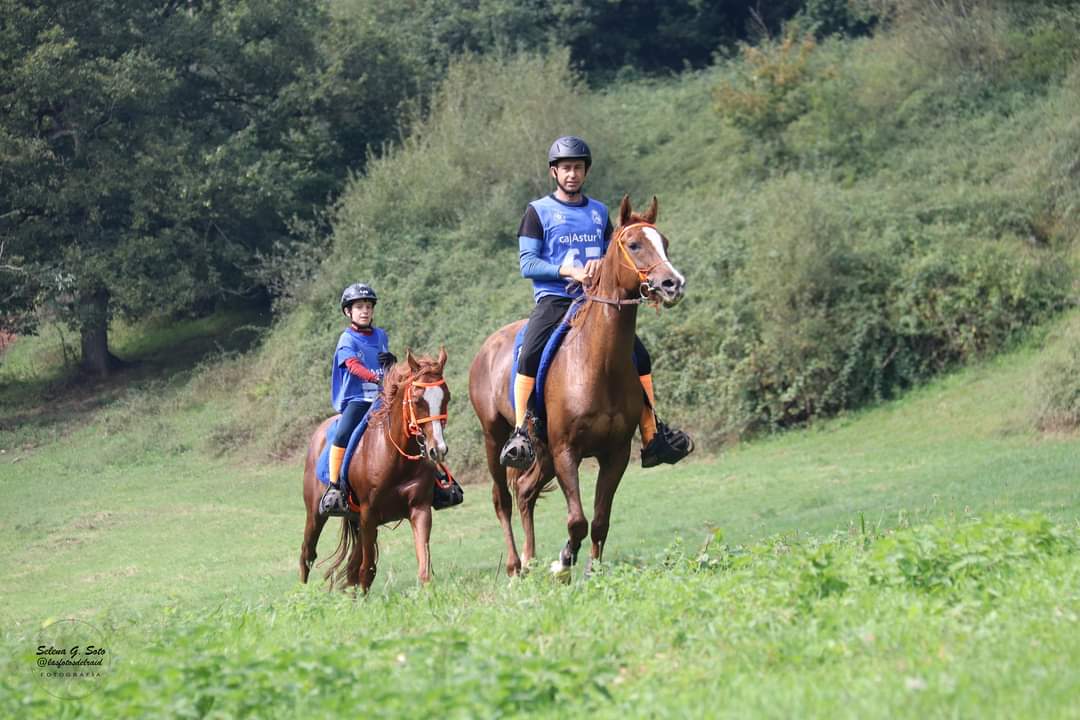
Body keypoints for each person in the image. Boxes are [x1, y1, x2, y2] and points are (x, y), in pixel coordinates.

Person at [499, 135, 693, 471]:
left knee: (640, 355)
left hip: (595, 300)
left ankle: (652, 434)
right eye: (565, 168)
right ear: (554, 173)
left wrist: (605, 269)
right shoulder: (538, 212)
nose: (572, 174)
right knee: (528, 351)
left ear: (585, 172)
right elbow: (527, 263)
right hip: (556, 299)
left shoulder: (599, 212)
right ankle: (522, 433)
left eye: (577, 168)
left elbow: (614, 259)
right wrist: (568, 269)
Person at [320, 283, 396, 516]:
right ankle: (334, 487)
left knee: (413, 423)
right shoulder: (347, 339)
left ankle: (439, 480)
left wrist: (391, 364)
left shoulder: (381, 335)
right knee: (343, 433)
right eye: (359, 307)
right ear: (348, 312)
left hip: (383, 398)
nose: (365, 311)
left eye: (368, 306)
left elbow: (386, 367)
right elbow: (352, 365)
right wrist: (374, 377)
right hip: (358, 398)